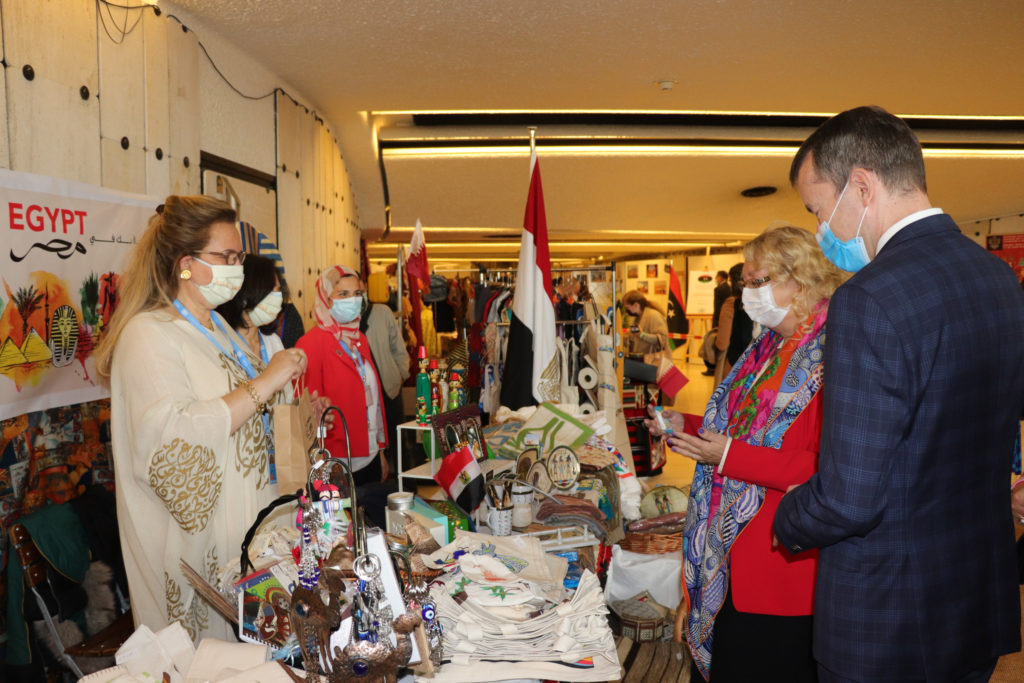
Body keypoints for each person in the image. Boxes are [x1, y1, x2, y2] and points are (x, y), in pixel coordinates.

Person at [774, 106, 1024, 682]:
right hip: (974, 597)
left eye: (818, 210)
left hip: (888, 618)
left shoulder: (869, 298)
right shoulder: (997, 277)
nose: (822, 230)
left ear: (862, 187)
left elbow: (849, 499)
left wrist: (789, 515)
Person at [93, 196, 307, 641]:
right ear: (186, 264)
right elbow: (170, 440)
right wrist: (266, 381)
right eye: (226, 257)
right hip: (204, 546)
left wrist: (286, 396)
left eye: (238, 257)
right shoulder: (148, 334)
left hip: (250, 525)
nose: (236, 268)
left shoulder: (217, 327)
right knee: (216, 659)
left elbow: (245, 410)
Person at [649, 225, 845, 682]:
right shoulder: (767, 348)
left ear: (802, 280)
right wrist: (687, 426)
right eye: (746, 282)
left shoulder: (832, 356)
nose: (748, 294)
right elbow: (738, 428)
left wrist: (729, 456)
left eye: (760, 282)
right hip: (730, 555)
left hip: (782, 566)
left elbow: (829, 467)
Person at [296, 266, 389, 486]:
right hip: (334, 463)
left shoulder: (359, 339)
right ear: (326, 298)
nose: (352, 300)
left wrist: (380, 451)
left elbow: (374, 400)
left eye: (357, 293)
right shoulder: (310, 344)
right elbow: (309, 413)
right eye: (343, 294)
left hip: (369, 455)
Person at [360, 300, 411, 477]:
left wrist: (400, 375)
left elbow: (399, 348)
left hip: (389, 389)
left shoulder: (382, 312)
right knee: (371, 443)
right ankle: (380, 484)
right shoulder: (341, 318)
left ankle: (406, 484)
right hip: (363, 397)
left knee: (398, 442)